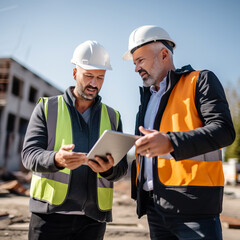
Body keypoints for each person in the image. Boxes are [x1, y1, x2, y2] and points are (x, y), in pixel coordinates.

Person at [123, 25, 235, 240]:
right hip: (155, 207)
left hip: (195, 209)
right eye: (134, 62)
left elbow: (224, 131)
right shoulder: (147, 98)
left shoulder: (200, 80)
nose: (136, 68)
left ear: (164, 54)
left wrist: (170, 142)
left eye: (140, 61)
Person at [22, 40, 128, 240]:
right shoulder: (47, 108)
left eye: (100, 77)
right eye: (88, 76)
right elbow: (29, 156)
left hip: (93, 220)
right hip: (49, 217)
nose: (94, 84)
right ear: (74, 74)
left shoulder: (113, 117)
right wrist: (57, 159)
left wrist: (107, 169)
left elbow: (121, 168)